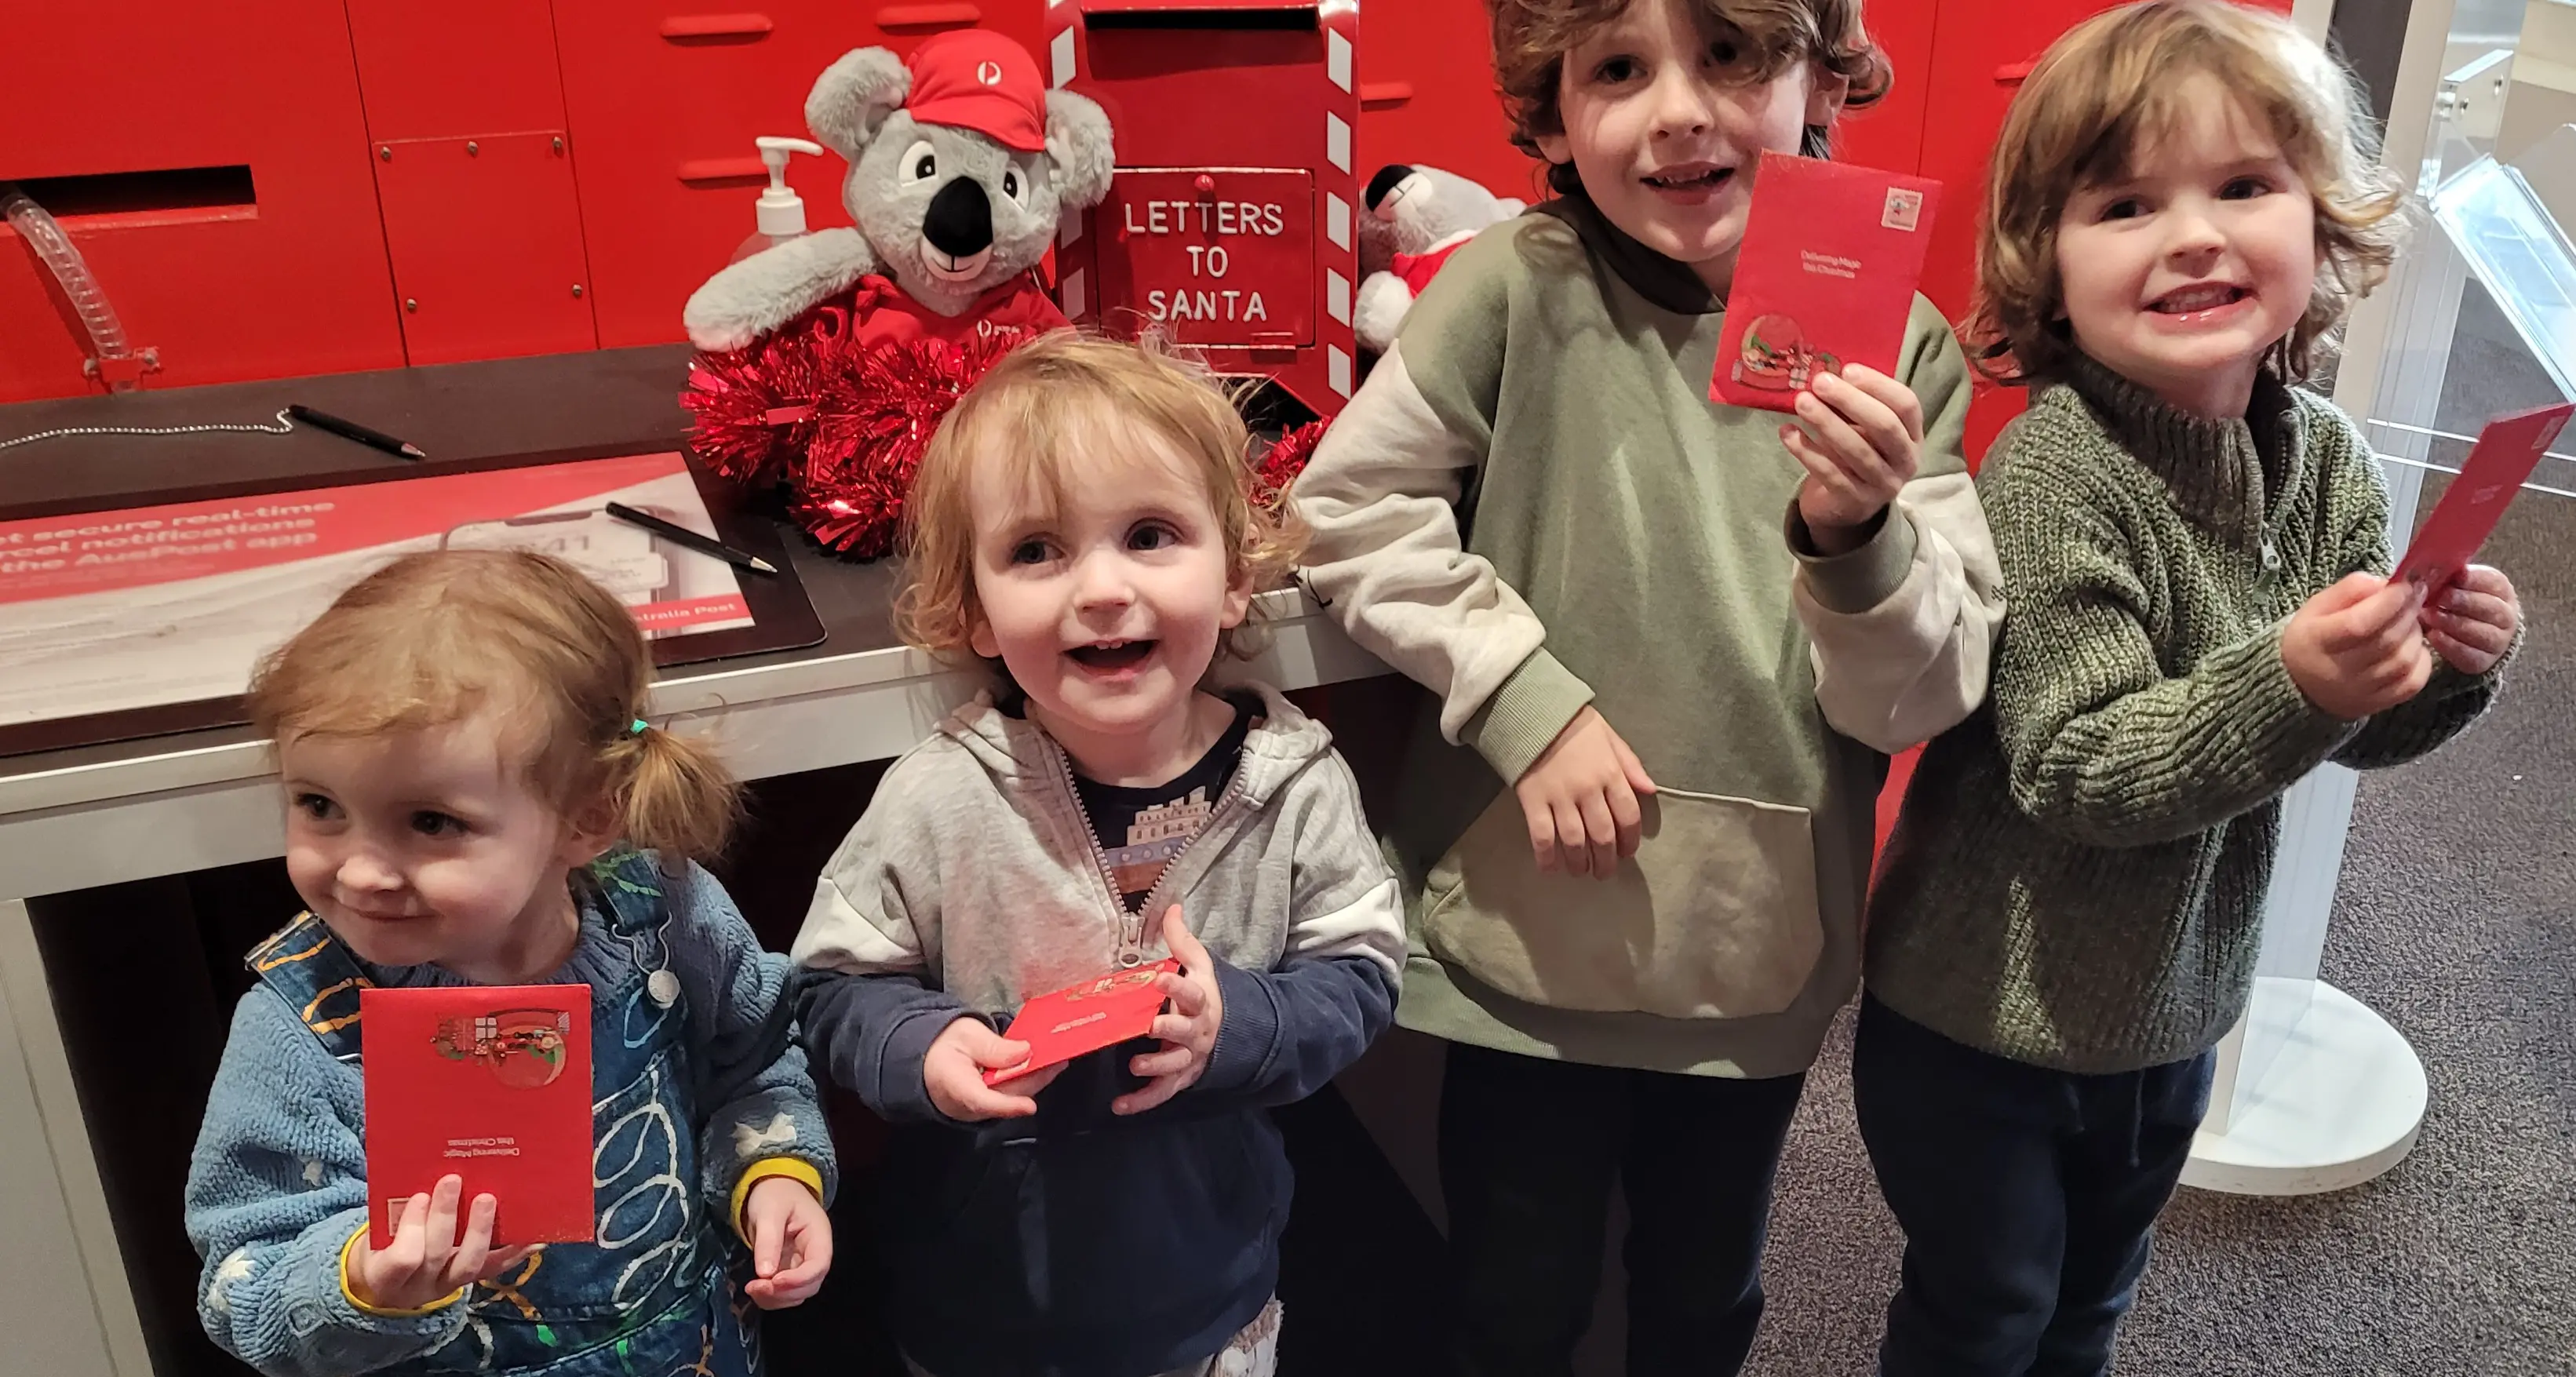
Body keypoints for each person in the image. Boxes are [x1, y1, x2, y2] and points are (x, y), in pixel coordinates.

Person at [1288, 0, 2006, 1369]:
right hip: (1523, 937)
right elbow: (1345, 511)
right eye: (1618, 69)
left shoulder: (1893, 340)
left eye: (1728, 54)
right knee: (1511, 1297)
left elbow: (1921, 692)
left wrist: (1857, 536)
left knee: (1700, 1296)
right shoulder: (1506, 287)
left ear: (1820, 80)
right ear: (1553, 115)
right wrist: (1523, 698)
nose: (1676, 110)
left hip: (1750, 949)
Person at [1857, 5, 2522, 1372]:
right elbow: (2080, 767)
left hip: (2172, 1014)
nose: (2192, 236)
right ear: (2046, 266)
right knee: (1983, 1312)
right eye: (2123, 205)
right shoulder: (2056, 470)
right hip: (1979, 1020)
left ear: (2320, 223)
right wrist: (2292, 678)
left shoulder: (2324, 457)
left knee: (2092, 1303)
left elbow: (2344, 730)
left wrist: (2437, 663)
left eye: (2242, 186)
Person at [790, 332, 1406, 1377]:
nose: (1102, 588)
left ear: (1234, 577)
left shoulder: (1295, 783)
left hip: (1208, 1299)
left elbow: (1360, 974)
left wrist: (1238, 1022)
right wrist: (922, 1045)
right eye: (1036, 550)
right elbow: (831, 987)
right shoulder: (937, 796)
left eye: (1150, 534)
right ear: (974, 611)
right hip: (977, 1307)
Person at [186, 550, 836, 1377]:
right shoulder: (299, 1027)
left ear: (586, 819)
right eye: (320, 805)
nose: (360, 871)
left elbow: (755, 1065)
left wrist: (774, 1172)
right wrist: (359, 1280)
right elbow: (242, 1280)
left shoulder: (665, 915)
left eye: (431, 822)